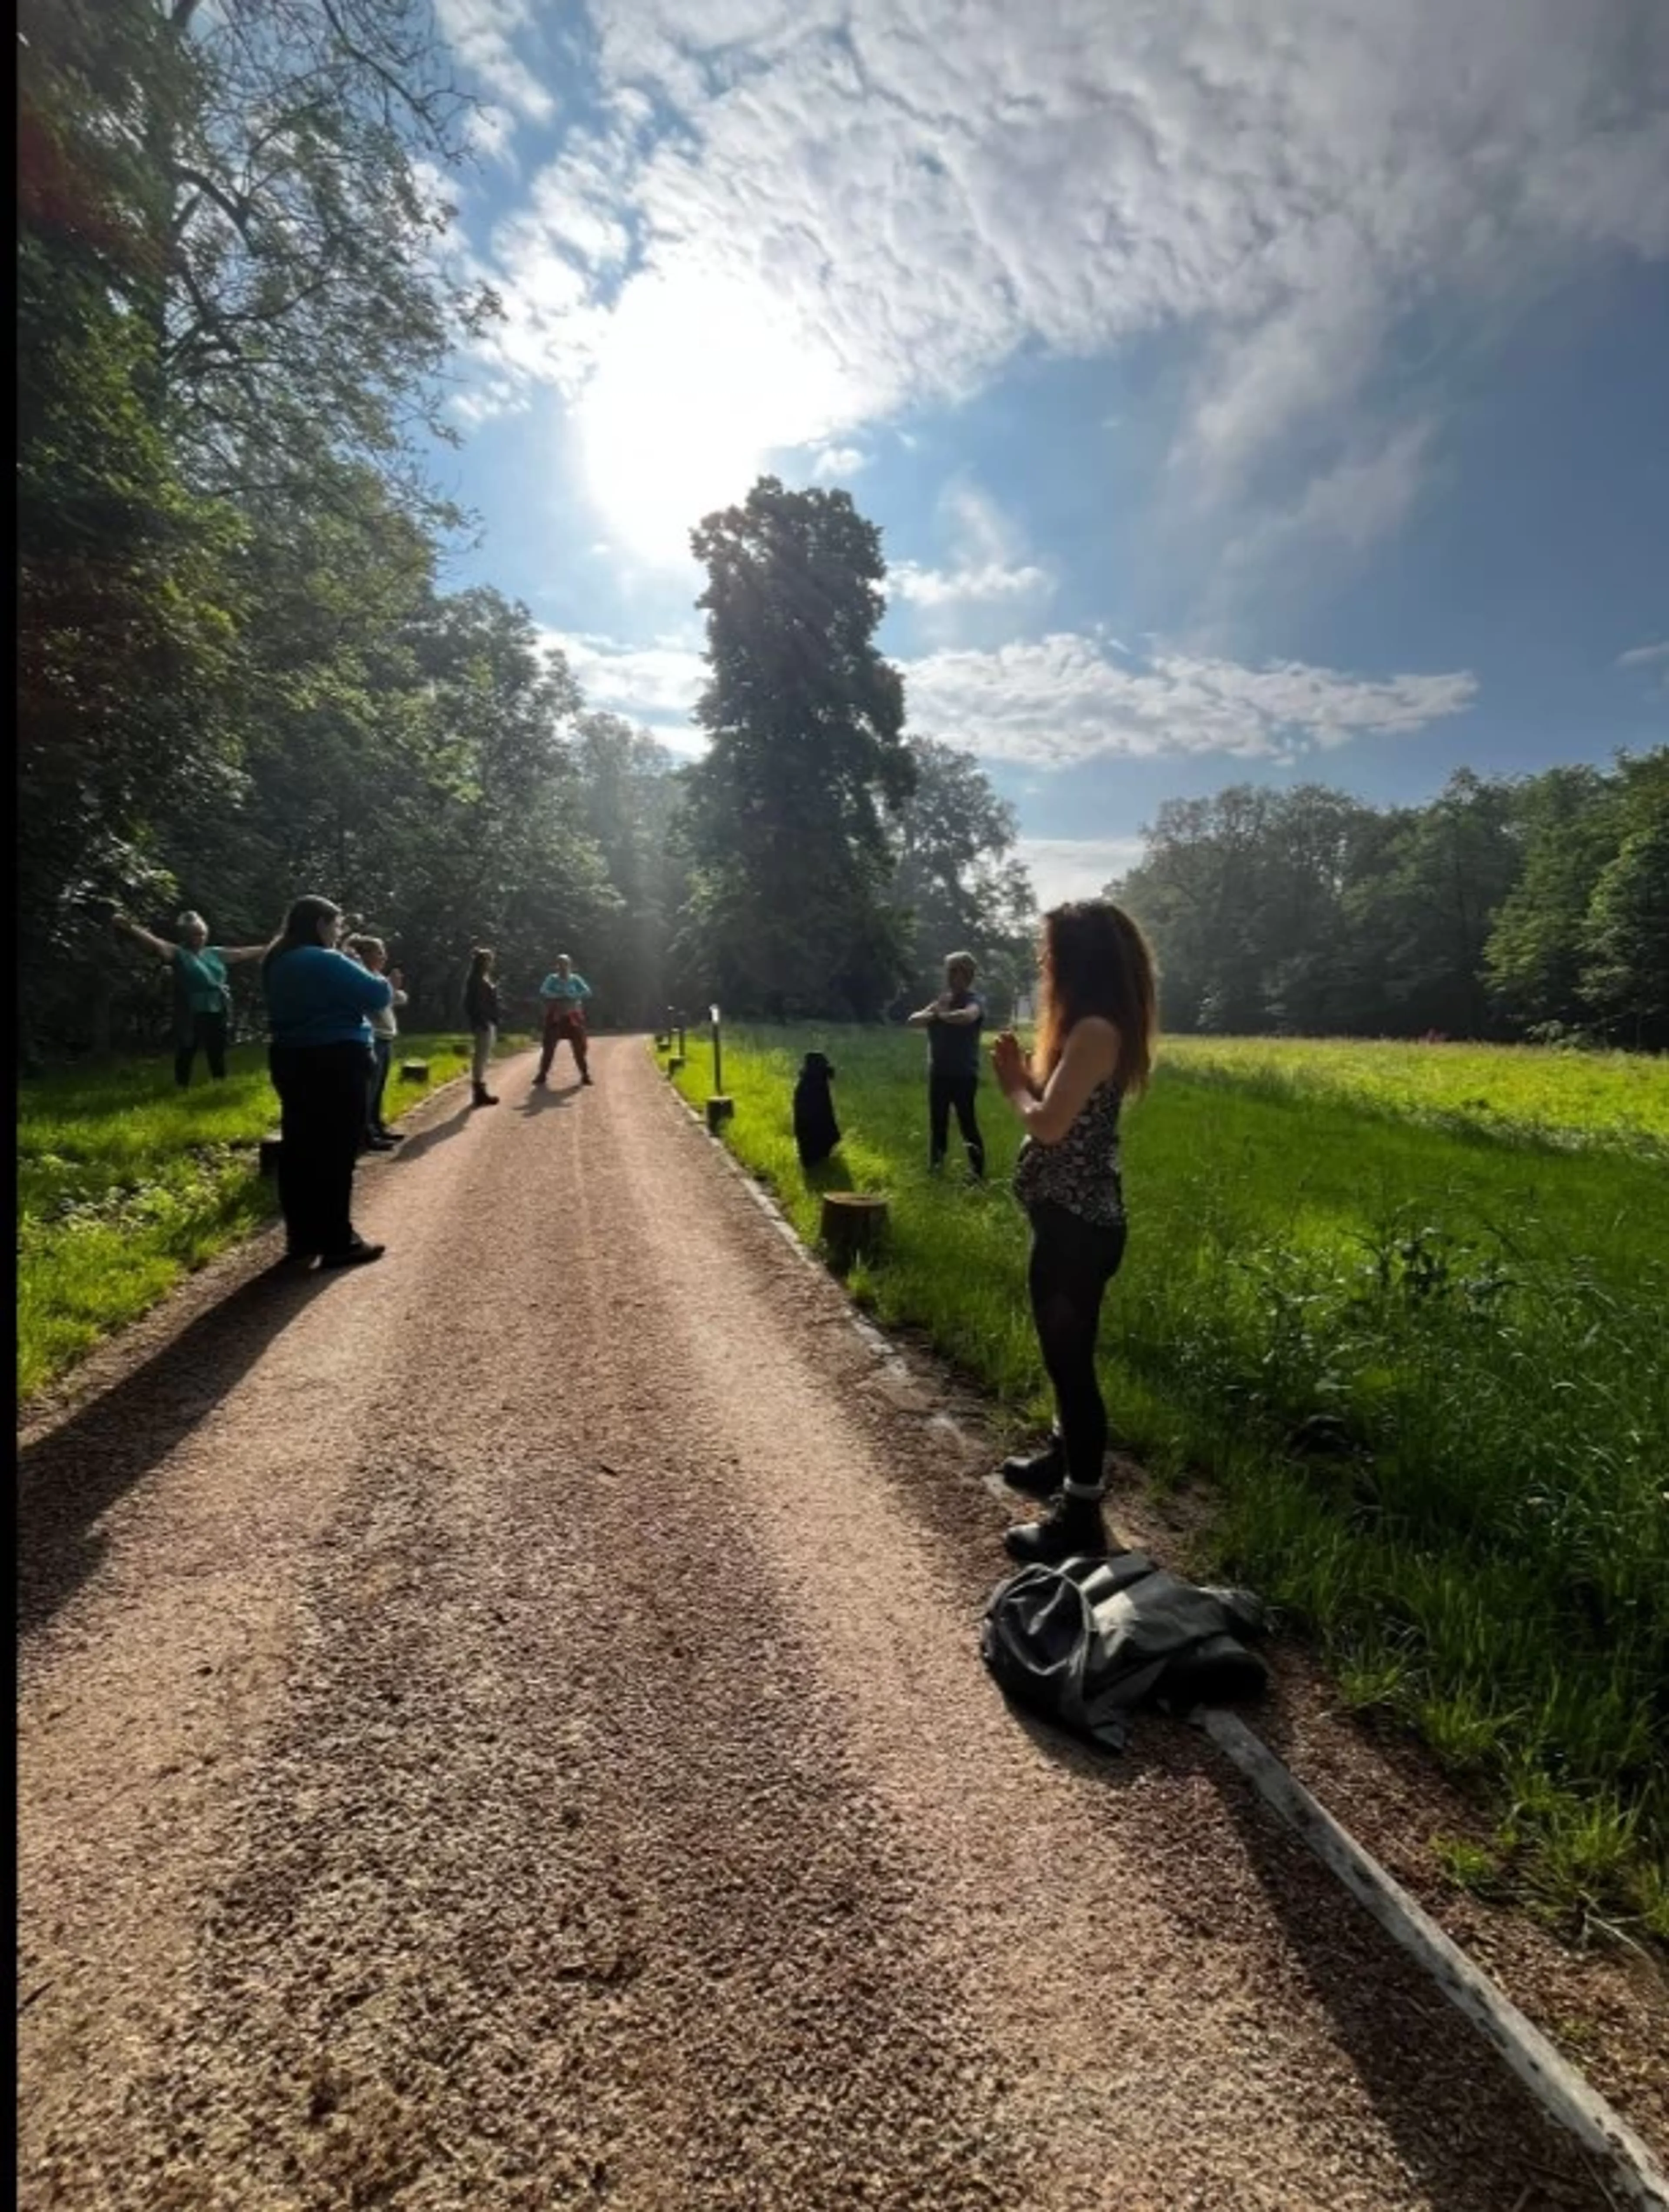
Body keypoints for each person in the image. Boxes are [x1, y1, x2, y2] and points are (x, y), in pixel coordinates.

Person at [989, 900, 1157, 1564]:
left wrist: (1010, 1086)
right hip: (1072, 1222)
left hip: (1077, 1231)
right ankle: (1064, 1459)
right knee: (1066, 1358)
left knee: (1073, 1366)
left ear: (1077, 959)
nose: (1043, 960)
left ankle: (1081, 1511)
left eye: (1050, 950)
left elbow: (1049, 1125)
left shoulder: (1093, 1029)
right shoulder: (1092, 1028)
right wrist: (1027, 1074)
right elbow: (1062, 1102)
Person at [263, 895, 393, 1269]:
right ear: (321, 924)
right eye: (336, 926)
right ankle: (339, 1240)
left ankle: (301, 1239)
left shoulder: (277, 960)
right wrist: (359, 964)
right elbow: (378, 994)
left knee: (301, 1149)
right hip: (337, 1058)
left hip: (290, 1058)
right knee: (336, 1152)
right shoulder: (327, 959)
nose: (338, 934)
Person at [112, 909, 266, 1087]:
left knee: (216, 1047)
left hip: (218, 1006)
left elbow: (241, 953)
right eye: (194, 934)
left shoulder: (214, 953)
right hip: (191, 1009)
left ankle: (220, 1081)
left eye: (202, 934)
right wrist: (131, 928)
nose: (199, 938)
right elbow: (156, 944)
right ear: (186, 935)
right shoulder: (179, 953)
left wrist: (270, 947)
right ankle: (182, 1085)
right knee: (188, 1047)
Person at [906, 952, 986, 1178]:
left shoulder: (975, 1000)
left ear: (967, 974)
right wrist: (936, 1013)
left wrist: (940, 1015)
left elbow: (968, 1017)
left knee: (967, 1123)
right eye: (948, 971)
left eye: (954, 971)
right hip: (939, 1073)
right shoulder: (942, 1001)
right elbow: (913, 1020)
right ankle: (937, 1169)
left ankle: (977, 1174)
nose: (949, 977)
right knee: (938, 1123)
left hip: (964, 1074)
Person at [346, 935, 407, 1151]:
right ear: (366, 955)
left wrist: (393, 988)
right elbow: (377, 1001)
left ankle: (377, 1126)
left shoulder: (377, 976)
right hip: (374, 1038)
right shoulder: (363, 976)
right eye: (380, 953)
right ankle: (365, 1134)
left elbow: (398, 998)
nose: (384, 957)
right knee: (369, 1090)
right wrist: (390, 987)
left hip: (386, 1039)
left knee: (379, 1086)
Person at [534, 954, 593, 1087]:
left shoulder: (575, 979)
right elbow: (543, 991)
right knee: (549, 1046)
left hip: (573, 1016)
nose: (563, 967)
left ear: (570, 966)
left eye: (566, 964)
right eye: (560, 965)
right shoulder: (552, 979)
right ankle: (542, 1074)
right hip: (556, 1016)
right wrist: (558, 995)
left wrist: (573, 995)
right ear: (557, 966)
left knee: (580, 1047)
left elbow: (588, 992)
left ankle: (585, 1074)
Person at [463, 948, 501, 1108]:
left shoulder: (481, 979)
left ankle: (480, 1089)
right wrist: (481, 1021)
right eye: (489, 961)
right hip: (482, 1023)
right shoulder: (476, 981)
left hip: (487, 1021)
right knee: (481, 1057)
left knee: (484, 1056)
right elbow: (472, 1005)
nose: (491, 964)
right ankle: (479, 1091)